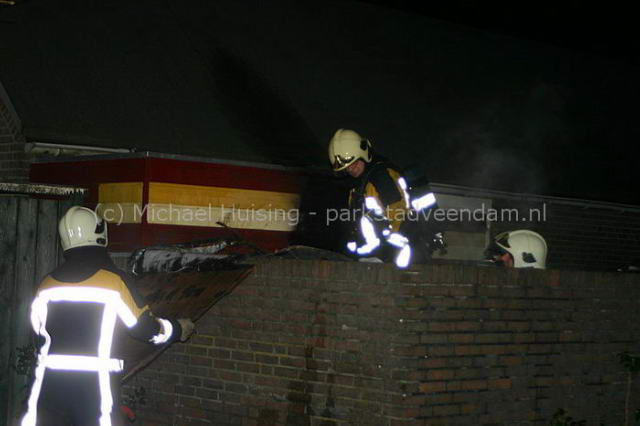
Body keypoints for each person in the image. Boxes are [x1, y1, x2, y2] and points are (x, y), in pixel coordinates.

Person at [21, 206, 195, 426]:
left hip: (48, 390)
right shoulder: (114, 281)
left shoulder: (46, 284)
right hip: (94, 392)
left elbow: (37, 333)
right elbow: (145, 329)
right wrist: (177, 329)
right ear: (100, 234)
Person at [328, 128, 444, 268]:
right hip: (378, 257)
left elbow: (398, 216)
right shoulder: (359, 186)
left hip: (399, 255)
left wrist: (388, 253)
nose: (351, 169)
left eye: (354, 163)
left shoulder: (382, 178)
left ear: (363, 154)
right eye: (347, 167)